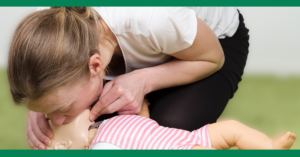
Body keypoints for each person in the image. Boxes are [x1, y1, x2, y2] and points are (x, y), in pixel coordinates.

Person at [7, 7, 249, 150]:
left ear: (95, 66)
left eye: (62, 108)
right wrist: (42, 107)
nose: (57, 121)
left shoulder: (154, 19)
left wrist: (143, 81)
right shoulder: (48, 24)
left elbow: (212, 59)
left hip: (212, 46)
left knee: (164, 132)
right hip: (150, 46)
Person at [47, 103, 296, 150]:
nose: (63, 118)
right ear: (64, 146)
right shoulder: (101, 146)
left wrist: (141, 105)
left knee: (230, 128)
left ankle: (268, 145)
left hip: (188, 137)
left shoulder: (107, 123)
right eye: (61, 122)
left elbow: (141, 122)